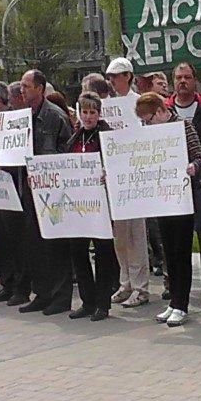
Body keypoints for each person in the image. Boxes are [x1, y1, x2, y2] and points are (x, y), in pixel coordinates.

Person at [135, 93, 201, 327]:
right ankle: (174, 301)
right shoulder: (151, 133)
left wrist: (193, 167)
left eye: (148, 119)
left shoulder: (183, 127)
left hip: (182, 199)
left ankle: (182, 304)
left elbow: (199, 157)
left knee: (181, 252)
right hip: (162, 200)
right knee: (169, 253)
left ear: (160, 111)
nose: (147, 124)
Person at [165, 62, 201, 298]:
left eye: (187, 77)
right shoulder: (165, 112)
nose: (182, 81)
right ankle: (172, 281)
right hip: (172, 183)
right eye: (178, 77)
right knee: (174, 234)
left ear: (194, 80)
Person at [17, 70, 74, 315]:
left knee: (55, 244)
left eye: (26, 86)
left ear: (40, 89)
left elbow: (67, 151)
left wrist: (45, 170)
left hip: (52, 190)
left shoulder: (55, 116)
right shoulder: (22, 117)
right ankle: (42, 293)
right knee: (35, 243)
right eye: (21, 86)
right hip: (29, 189)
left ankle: (61, 296)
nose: (22, 90)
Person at [66, 92, 119, 321]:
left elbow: (117, 164)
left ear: (99, 113)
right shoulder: (75, 137)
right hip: (78, 205)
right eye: (85, 112)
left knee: (103, 252)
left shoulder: (107, 136)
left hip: (101, 204)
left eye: (92, 112)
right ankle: (87, 301)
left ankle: (102, 303)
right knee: (77, 251)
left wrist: (108, 173)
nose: (88, 117)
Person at [104, 57, 150, 308]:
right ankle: (126, 283)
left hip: (135, 176)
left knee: (136, 235)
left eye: (116, 76)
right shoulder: (108, 107)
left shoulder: (138, 103)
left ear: (128, 76)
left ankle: (140, 287)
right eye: (110, 77)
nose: (112, 81)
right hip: (115, 177)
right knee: (120, 236)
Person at [0, 81, 29, 306]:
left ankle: (21, 287)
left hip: (13, 188)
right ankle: (7, 282)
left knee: (16, 240)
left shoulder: (15, 120)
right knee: (0, 239)